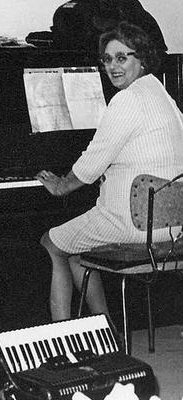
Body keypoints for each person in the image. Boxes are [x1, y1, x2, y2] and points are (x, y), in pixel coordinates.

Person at [37, 21, 183, 321]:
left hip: (133, 220)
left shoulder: (127, 99)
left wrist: (63, 185)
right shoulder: (161, 93)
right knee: (76, 250)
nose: (112, 66)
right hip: (173, 224)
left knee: (51, 244)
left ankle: (61, 334)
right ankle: (104, 331)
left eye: (121, 57)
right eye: (106, 59)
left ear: (141, 58)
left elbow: (94, 160)